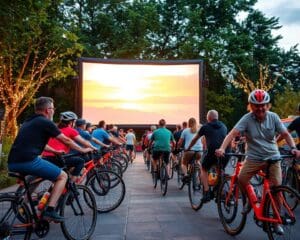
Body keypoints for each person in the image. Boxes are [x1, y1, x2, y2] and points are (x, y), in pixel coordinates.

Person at [215, 89, 300, 234]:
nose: (260, 108)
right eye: (256, 105)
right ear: (251, 105)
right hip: (253, 158)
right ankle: (250, 200)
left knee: (277, 189)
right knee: (241, 179)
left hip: (273, 158)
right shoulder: (247, 118)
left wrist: (293, 147)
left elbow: (285, 133)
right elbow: (233, 133)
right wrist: (222, 148)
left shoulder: (273, 117)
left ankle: (275, 222)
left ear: (268, 105)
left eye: (263, 105)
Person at [7, 97, 93, 222]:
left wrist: (55, 151)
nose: (54, 111)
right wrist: (83, 150)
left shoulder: (28, 121)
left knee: (36, 179)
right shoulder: (45, 122)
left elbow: (40, 143)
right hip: (28, 161)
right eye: (53, 109)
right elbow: (66, 140)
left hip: (13, 162)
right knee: (62, 176)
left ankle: (23, 204)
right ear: (48, 110)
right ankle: (50, 210)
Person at [42, 112, 97, 181]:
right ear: (71, 122)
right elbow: (83, 141)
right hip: (57, 157)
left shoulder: (55, 129)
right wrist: (93, 148)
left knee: (70, 161)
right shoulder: (70, 130)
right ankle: (72, 185)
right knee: (80, 161)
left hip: (46, 157)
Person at [187, 110, 228, 203]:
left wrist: (189, 147)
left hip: (213, 152)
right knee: (220, 169)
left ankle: (206, 192)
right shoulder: (224, 126)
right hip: (225, 152)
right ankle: (220, 190)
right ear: (217, 117)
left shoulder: (205, 127)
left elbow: (195, 139)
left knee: (204, 169)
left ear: (208, 118)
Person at [177, 117, 203, 182]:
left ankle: (186, 175)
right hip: (199, 151)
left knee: (184, 164)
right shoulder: (199, 130)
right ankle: (201, 173)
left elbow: (180, 142)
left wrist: (178, 148)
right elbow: (203, 141)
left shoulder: (185, 130)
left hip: (189, 151)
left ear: (188, 123)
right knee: (197, 161)